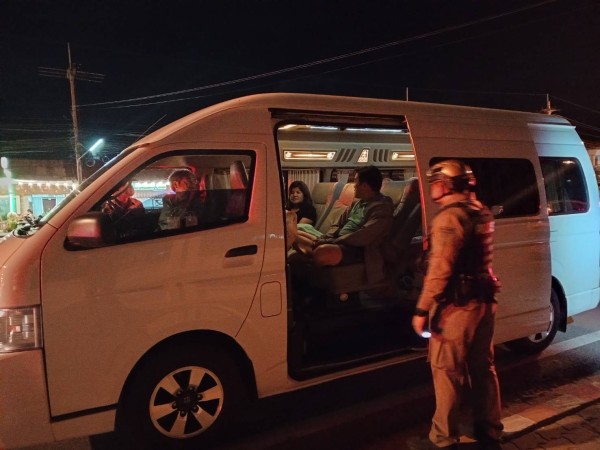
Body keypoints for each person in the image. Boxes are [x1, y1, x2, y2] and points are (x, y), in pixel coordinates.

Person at [410, 160, 503, 450]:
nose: (432, 186)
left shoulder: (449, 219)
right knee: (483, 368)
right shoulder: (480, 210)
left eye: (435, 181)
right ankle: (489, 432)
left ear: (446, 184)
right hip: (484, 302)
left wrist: (422, 309)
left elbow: (440, 269)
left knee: (447, 371)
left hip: (457, 307)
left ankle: (443, 439)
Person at [293, 165, 393, 285]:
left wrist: (334, 241)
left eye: (356, 182)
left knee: (322, 252)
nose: (354, 186)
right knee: (294, 235)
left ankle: (311, 268)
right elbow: (338, 224)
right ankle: (309, 257)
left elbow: (363, 236)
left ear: (364, 186)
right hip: (341, 242)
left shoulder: (382, 207)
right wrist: (327, 237)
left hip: (359, 249)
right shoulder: (357, 203)